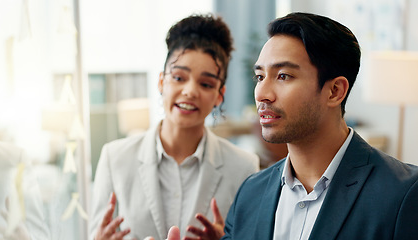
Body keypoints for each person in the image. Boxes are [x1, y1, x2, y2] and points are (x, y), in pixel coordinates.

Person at [164, 12, 418, 240]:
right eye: (260, 76)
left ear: (334, 91)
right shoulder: (250, 192)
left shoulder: (403, 194)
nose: (262, 93)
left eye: (283, 76)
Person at [89, 13, 259, 240]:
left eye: (206, 83)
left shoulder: (244, 167)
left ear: (219, 95)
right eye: (179, 78)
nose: (190, 91)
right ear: (161, 82)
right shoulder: (115, 158)